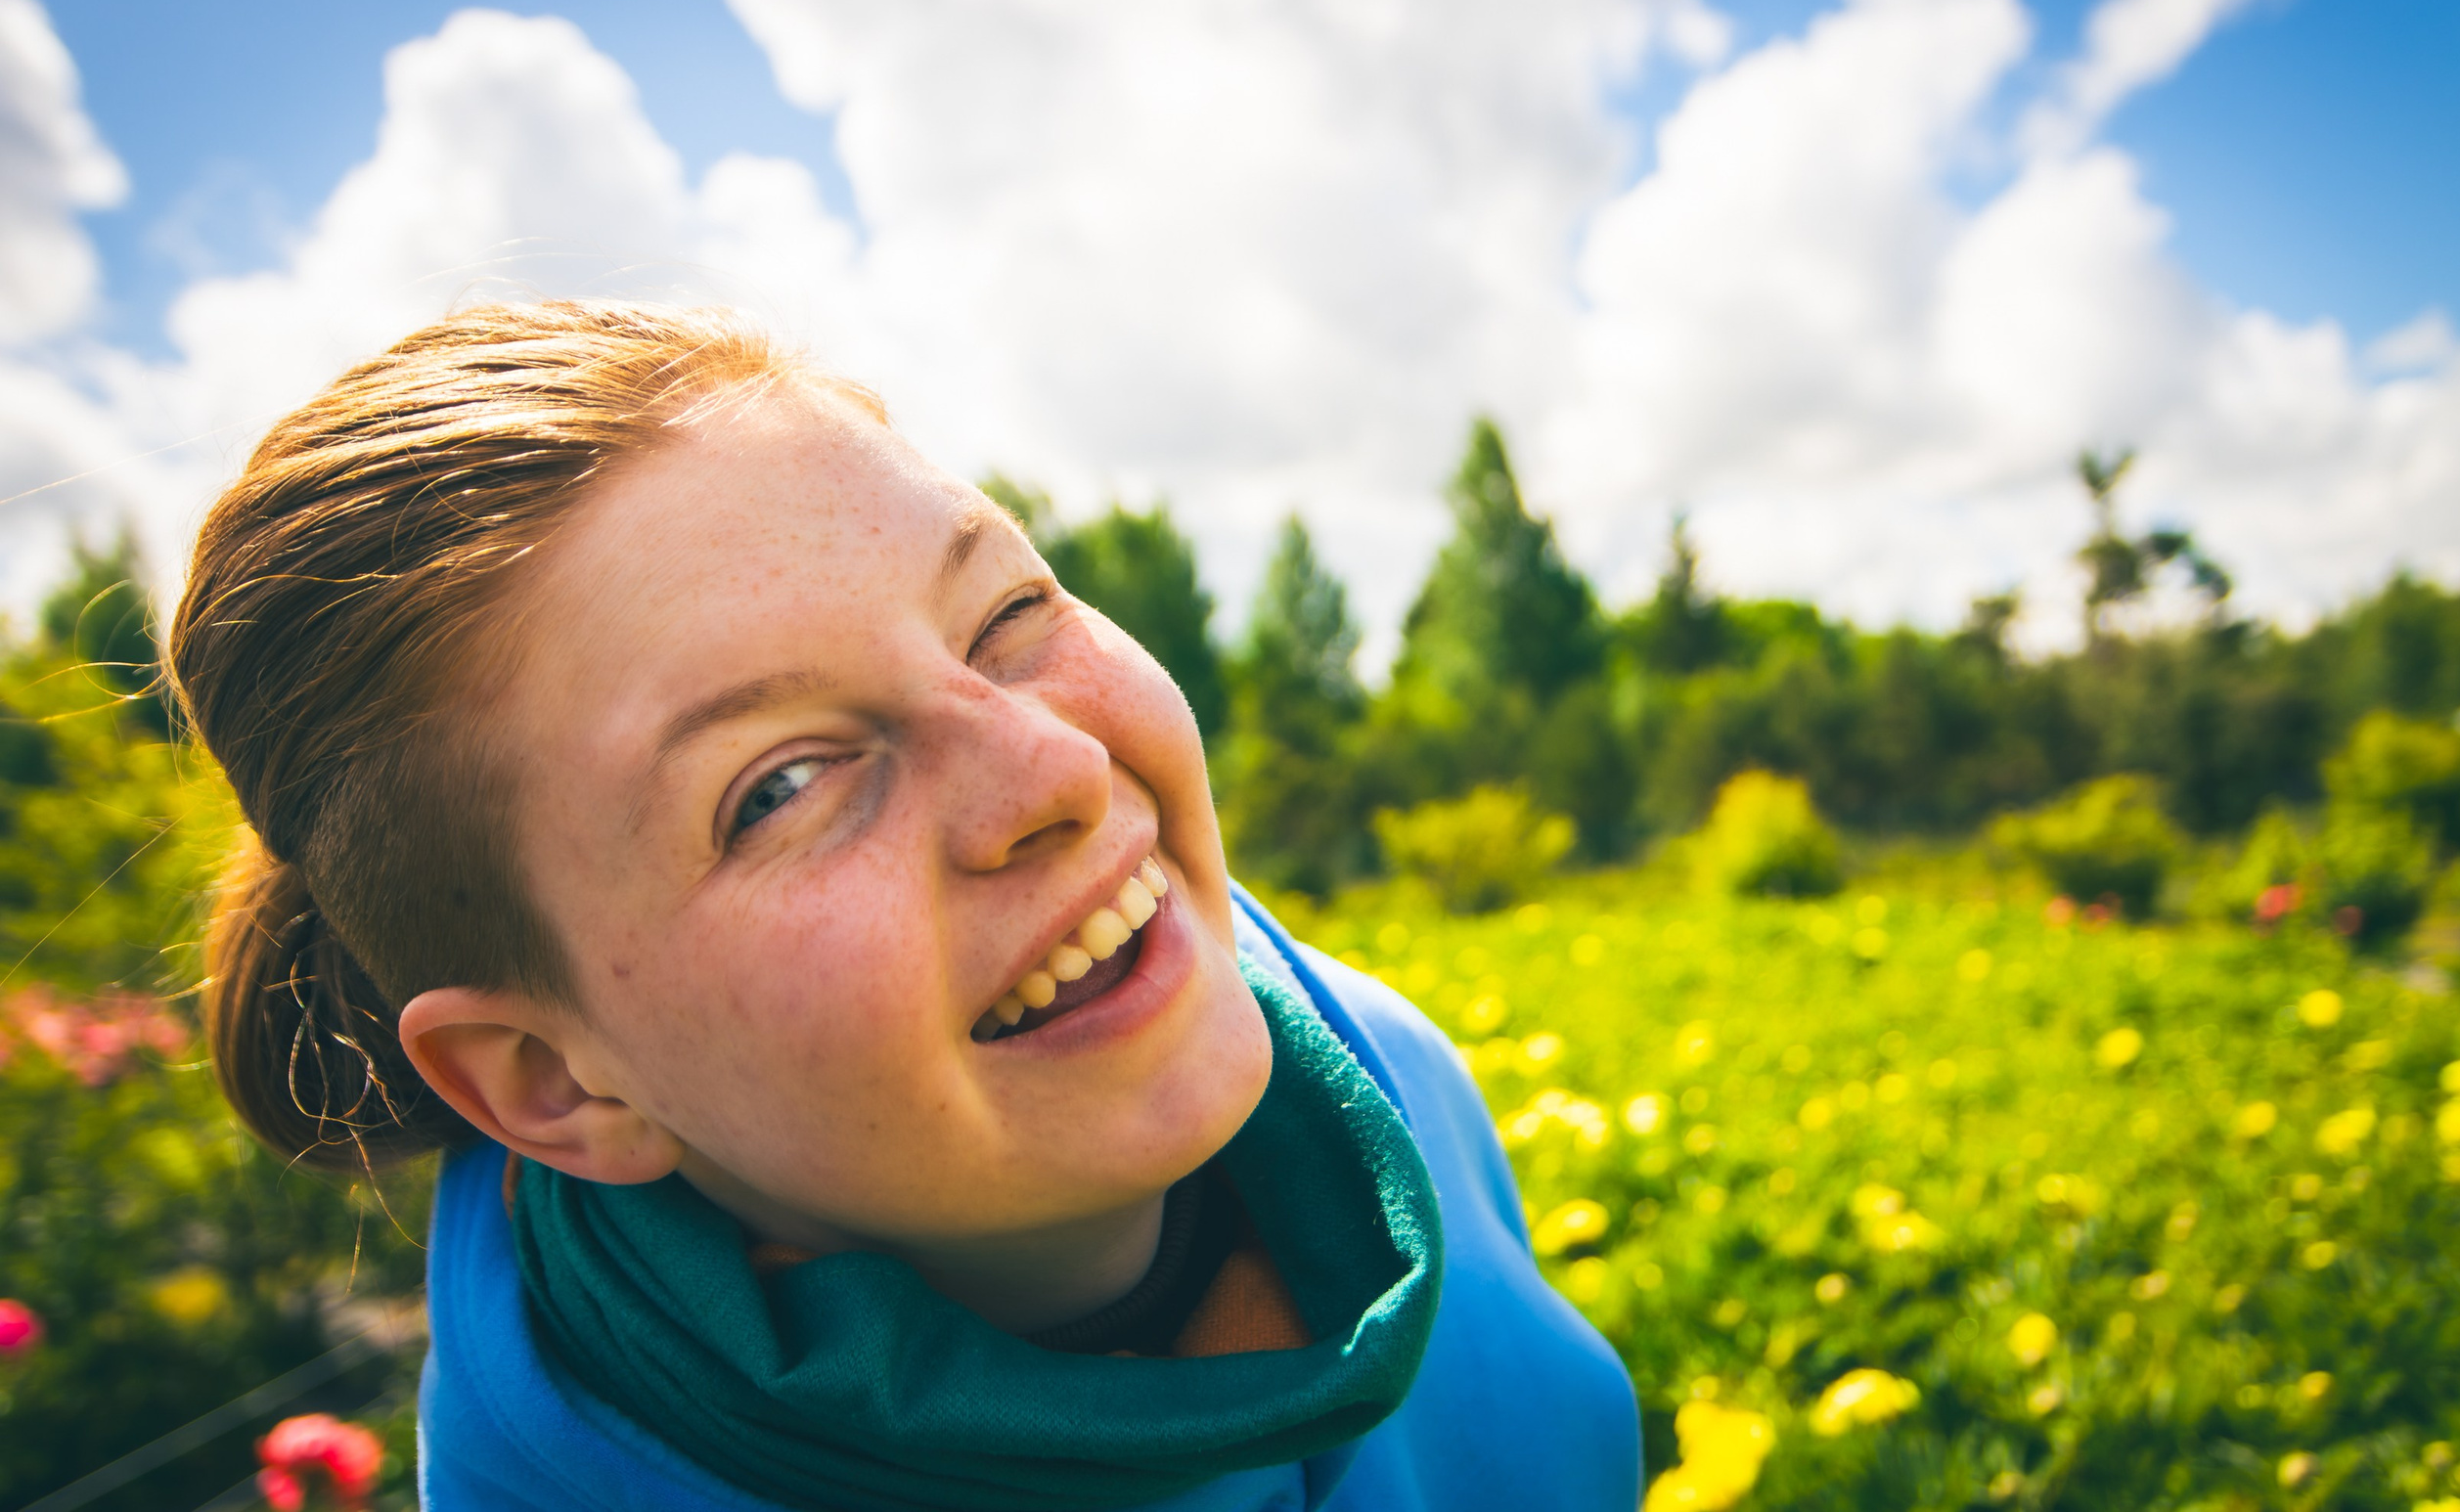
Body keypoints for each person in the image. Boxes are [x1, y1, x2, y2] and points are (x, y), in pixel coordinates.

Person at [168, 300, 1638, 1511]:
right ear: (557, 1081)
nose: (1055, 768)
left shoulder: (1377, 1069)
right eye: (782, 787)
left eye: (1006, 615)